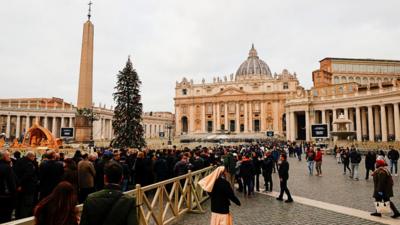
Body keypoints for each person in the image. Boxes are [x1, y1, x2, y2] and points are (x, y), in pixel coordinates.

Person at [14, 151, 38, 219]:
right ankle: (24, 219)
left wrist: (18, 184)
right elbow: (28, 175)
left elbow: (15, 173)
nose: (34, 158)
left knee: (20, 203)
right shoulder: (29, 164)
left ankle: (17, 217)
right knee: (27, 205)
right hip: (28, 187)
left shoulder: (19, 161)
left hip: (20, 187)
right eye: (34, 157)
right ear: (30, 156)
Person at [0, 150, 17, 223]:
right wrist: (14, 195)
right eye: (8, 156)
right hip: (6, 196)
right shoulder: (7, 167)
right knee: (6, 217)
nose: (10, 157)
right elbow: (11, 183)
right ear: (3, 157)